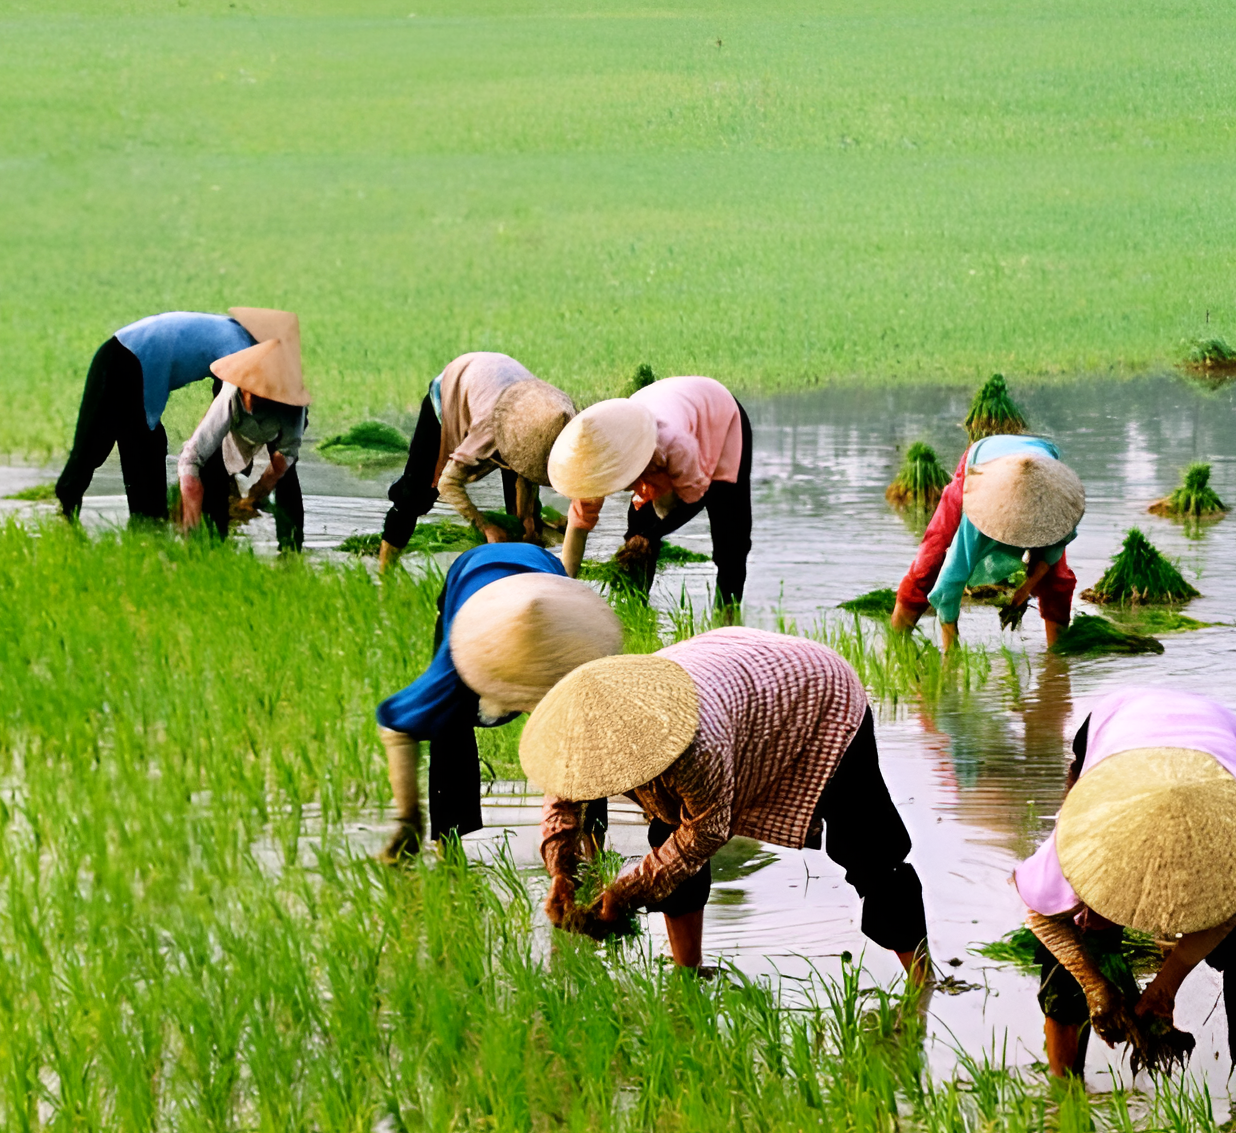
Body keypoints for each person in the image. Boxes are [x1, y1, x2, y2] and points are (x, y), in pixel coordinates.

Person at [522, 627, 926, 975]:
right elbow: (561, 803)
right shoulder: (577, 735)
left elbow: (704, 835)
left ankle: (922, 982)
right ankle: (688, 972)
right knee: (667, 836)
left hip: (818, 694)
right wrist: (561, 872)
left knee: (868, 849)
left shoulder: (694, 745)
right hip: (731, 673)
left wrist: (627, 893)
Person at [1015, 687, 1236, 1105]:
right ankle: (1065, 1093)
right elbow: (1042, 912)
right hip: (1117, 735)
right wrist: (1095, 986)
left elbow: (1234, 911)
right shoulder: (1089, 827)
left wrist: (1165, 986)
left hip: (1218, 754)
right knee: (1081, 920)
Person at [374, 544, 621, 861]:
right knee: (449, 724)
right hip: (472, 581)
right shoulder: (456, 662)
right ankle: (449, 844)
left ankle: (594, 845)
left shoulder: (570, 649)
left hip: (547, 593)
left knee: (582, 736)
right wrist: (409, 820)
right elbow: (395, 726)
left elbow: (597, 748)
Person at [54, 308, 299, 525]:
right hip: (132, 359)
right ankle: (148, 523)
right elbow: (231, 415)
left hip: (116, 350)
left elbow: (222, 416)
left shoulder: (231, 332)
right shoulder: (242, 351)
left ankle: (71, 510)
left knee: (100, 441)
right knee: (133, 444)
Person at [545, 375, 753, 603]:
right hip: (667, 409)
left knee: (730, 540)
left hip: (720, 417)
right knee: (638, 532)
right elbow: (579, 524)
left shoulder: (673, 445)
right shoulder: (594, 456)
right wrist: (563, 588)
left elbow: (694, 495)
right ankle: (635, 605)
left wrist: (651, 530)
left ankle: (727, 615)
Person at [377, 352, 578, 569]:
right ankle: (385, 571)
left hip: (508, 391)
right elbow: (448, 483)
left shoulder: (544, 424)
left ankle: (520, 571)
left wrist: (529, 517)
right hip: (454, 389)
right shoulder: (488, 431)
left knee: (524, 522)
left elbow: (527, 471)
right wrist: (485, 526)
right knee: (415, 494)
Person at [888, 435, 1084, 651]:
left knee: (1056, 582)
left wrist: (1026, 588)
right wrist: (951, 646)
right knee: (930, 562)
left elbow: (1052, 552)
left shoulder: (1056, 506)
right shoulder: (981, 510)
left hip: (1041, 468)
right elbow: (951, 579)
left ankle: (1057, 656)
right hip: (980, 469)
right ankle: (895, 642)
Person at [174, 336, 311, 548]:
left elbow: (287, 452)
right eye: (249, 393)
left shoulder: (291, 404)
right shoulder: (230, 394)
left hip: (276, 424)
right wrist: (190, 515)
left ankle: (290, 548)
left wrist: (258, 492)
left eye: (258, 396)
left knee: (286, 478)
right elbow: (192, 457)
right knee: (212, 468)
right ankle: (213, 542)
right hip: (234, 413)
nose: (250, 402)